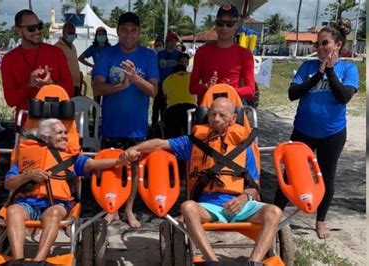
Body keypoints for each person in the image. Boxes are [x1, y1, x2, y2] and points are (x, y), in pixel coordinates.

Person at [125, 97, 282, 263]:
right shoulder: (193, 143)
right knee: (188, 207)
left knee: (274, 212)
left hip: (240, 205)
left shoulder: (244, 146)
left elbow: (254, 186)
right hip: (210, 208)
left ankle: (254, 262)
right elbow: (159, 144)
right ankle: (212, 261)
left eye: (222, 115)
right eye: (212, 114)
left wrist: (244, 198)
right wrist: (133, 149)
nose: (216, 119)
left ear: (234, 119)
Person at [273, 24, 358, 239]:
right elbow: (293, 94)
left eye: (324, 43)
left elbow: (343, 97)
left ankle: (320, 221)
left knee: (326, 177)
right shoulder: (308, 66)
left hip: (332, 134)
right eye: (317, 43)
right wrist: (316, 76)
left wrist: (329, 71)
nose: (320, 47)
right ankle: (274, 215)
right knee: (289, 174)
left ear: (338, 45)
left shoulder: (348, 69)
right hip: (303, 132)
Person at [5, 118, 127, 262]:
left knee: (54, 213)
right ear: (45, 137)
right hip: (28, 203)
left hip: (57, 204)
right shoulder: (28, 156)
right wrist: (27, 175)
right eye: (59, 133)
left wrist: (120, 161)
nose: (65, 136)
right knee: (12, 210)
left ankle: (38, 262)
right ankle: (18, 261)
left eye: (65, 132)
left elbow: (94, 164)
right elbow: (8, 184)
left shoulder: (72, 159)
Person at [92, 12, 159, 227]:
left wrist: (135, 78)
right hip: (112, 124)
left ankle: (129, 209)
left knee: (134, 170)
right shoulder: (106, 55)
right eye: (124, 30)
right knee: (111, 167)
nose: (129, 34)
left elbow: (153, 91)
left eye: (133, 30)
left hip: (136, 128)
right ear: (118, 31)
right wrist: (119, 86)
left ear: (138, 32)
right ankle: (111, 207)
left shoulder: (149, 56)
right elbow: (97, 87)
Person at [1, 9, 74, 119]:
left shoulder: (56, 52)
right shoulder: (9, 59)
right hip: (26, 126)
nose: (37, 31)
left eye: (39, 26)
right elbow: (11, 101)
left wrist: (51, 85)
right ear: (18, 31)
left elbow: (70, 91)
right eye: (31, 28)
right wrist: (29, 85)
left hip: (55, 124)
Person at [189, 3, 255, 105]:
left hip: (232, 110)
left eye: (229, 24)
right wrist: (207, 86)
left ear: (236, 25)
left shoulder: (245, 54)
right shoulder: (202, 52)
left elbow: (251, 90)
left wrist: (227, 91)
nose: (224, 28)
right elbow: (192, 88)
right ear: (216, 24)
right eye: (220, 23)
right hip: (207, 110)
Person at [163, 52, 196, 138]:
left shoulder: (167, 79)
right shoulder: (192, 77)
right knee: (192, 136)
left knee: (172, 138)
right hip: (191, 109)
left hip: (173, 110)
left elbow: (165, 98)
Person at [152, 31, 182, 126]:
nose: (173, 43)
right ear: (167, 42)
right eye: (171, 41)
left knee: (169, 108)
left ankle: (167, 127)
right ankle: (154, 127)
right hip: (160, 84)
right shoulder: (160, 54)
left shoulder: (179, 55)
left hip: (172, 86)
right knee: (156, 107)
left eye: (175, 42)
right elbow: (154, 69)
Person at [79, 26, 111, 103]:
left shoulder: (109, 48)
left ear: (106, 36)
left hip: (108, 76)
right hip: (96, 76)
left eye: (103, 34)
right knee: (96, 99)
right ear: (96, 36)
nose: (101, 36)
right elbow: (80, 58)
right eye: (99, 34)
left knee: (108, 99)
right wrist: (92, 66)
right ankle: (95, 114)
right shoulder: (93, 48)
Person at [55, 23, 82, 96]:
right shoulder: (57, 48)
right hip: (64, 86)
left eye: (74, 33)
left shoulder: (73, 46)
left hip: (76, 84)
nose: (73, 35)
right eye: (70, 33)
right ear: (64, 33)